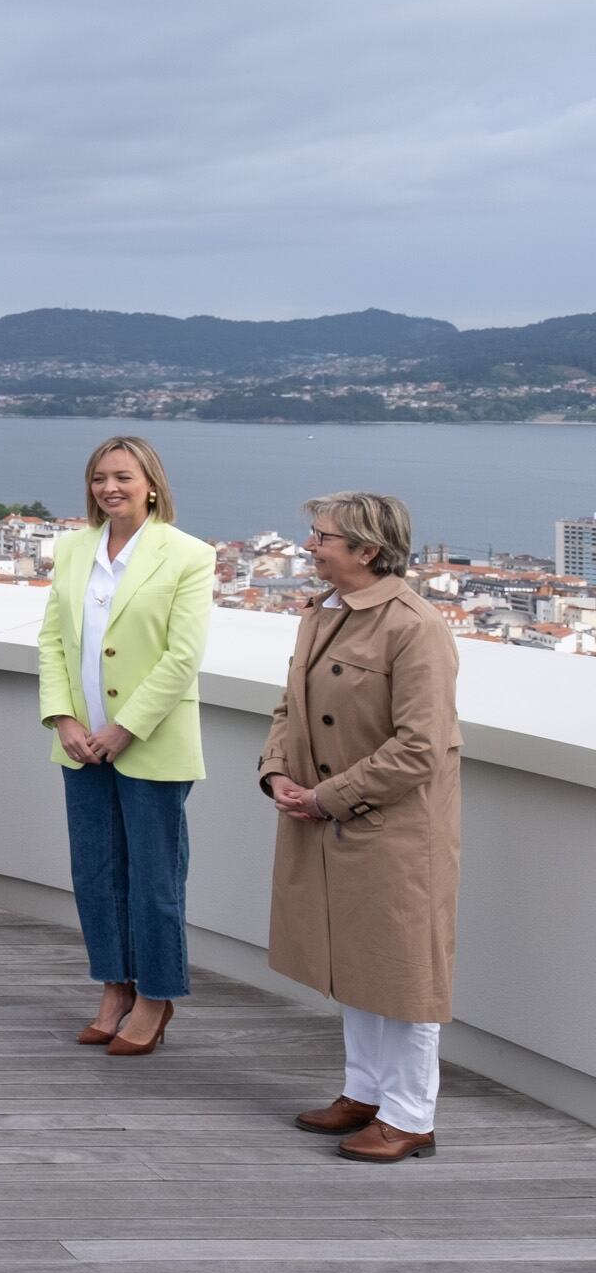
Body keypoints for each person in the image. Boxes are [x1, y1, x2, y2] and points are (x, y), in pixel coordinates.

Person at [259, 492, 461, 1163]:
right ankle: (366, 1093)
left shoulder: (415, 626)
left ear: (366, 550)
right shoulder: (323, 614)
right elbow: (292, 704)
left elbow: (421, 747)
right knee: (355, 960)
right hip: (332, 819)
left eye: (321, 537)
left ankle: (410, 1117)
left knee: (404, 974)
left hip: (395, 832)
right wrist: (277, 774)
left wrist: (326, 798)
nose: (309, 546)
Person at [37, 435, 215, 1054]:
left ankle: (156, 995)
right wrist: (64, 719)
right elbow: (54, 642)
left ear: (152, 483)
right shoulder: (72, 549)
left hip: (150, 744)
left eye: (122, 477)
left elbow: (183, 656)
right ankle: (114, 987)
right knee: (95, 873)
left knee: (154, 879)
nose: (109, 488)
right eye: (98, 478)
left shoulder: (188, 554)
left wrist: (125, 727)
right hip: (81, 743)